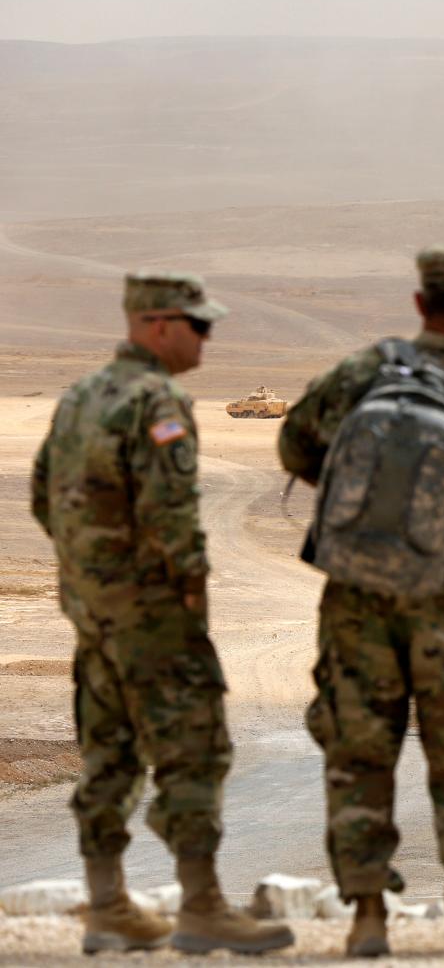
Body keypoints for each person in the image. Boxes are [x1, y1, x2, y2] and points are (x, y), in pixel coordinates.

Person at [278, 245, 444, 957]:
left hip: (357, 599)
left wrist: (373, 507)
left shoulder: (366, 371)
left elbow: (295, 443)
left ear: (421, 302)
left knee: (359, 752)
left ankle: (367, 915)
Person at [31, 272, 294, 955]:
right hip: (154, 618)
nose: (207, 337)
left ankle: (108, 903)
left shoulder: (80, 397)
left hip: (96, 614)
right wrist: (188, 606)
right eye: (197, 325)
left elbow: (42, 496)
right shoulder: (158, 401)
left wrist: (92, 576)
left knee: (110, 752)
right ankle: (202, 904)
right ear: (155, 325)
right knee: (197, 750)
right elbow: (174, 520)